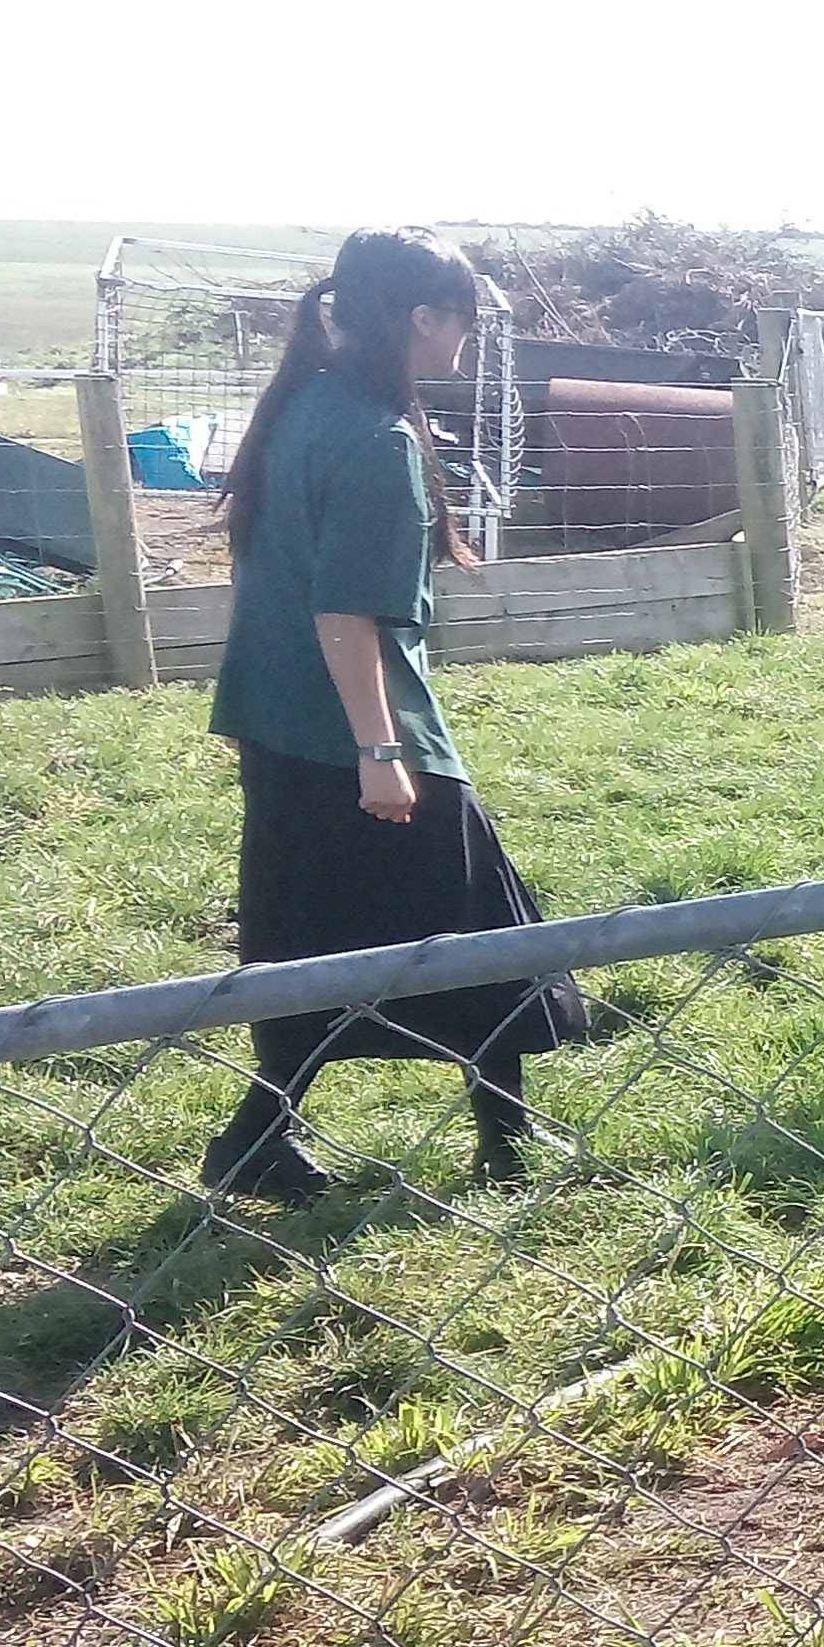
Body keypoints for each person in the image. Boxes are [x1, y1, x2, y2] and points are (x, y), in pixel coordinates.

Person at [201, 228, 584, 1206]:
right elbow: (346, 611)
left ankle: (257, 1139)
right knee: (478, 926)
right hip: (360, 733)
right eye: (462, 319)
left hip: (276, 720)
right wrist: (381, 749)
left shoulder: (304, 405)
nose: (467, 338)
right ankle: (507, 1143)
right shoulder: (376, 439)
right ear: (424, 319)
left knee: (307, 940)